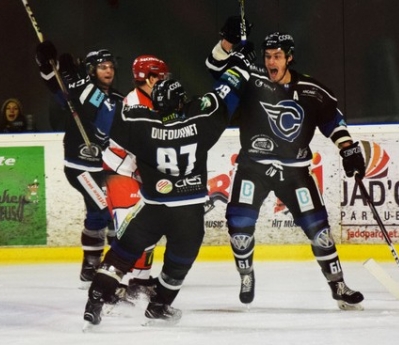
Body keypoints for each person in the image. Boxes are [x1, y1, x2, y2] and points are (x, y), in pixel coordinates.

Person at [205, 26, 367, 310]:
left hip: (295, 173)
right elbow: (215, 67)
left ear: (289, 58)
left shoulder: (312, 91)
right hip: (253, 168)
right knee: (240, 231)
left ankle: (338, 285)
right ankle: (246, 275)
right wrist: (228, 43)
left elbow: (334, 123)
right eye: (267, 56)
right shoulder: (250, 79)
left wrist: (348, 149)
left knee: (320, 233)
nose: (270, 63)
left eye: (277, 56)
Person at [83, 73, 244, 328]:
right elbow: (228, 98)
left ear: (156, 104)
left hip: (152, 211)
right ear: (180, 103)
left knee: (120, 256)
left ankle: (94, 302)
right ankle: (159, 306)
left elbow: (102, 112)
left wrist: (79, 84)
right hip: (188, 216)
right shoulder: (200, 125)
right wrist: (238, 70)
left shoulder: (141, 126)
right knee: (177, 266)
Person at [35, 41, 124, 290]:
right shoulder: (78, 92)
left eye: (110, 67)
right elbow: (54, 85)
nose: (108, 71)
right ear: (91, 70)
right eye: (102, 67)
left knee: (112, 215)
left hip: (106, 169)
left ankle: (98, 266)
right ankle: (97, 266)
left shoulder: (114, 98)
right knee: (102, 210)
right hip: (80, 167)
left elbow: (111, 116)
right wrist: (45, 64)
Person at [102, 54, 170, 299]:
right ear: (150, 78)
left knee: (145, 231)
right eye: (161, 77)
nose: (165, 82)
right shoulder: (135, 105)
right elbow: (146, 147)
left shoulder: (148, 101)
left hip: (132, 173)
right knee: (131, 235)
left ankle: (139, 281)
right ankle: (108, 288)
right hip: (120, 174)